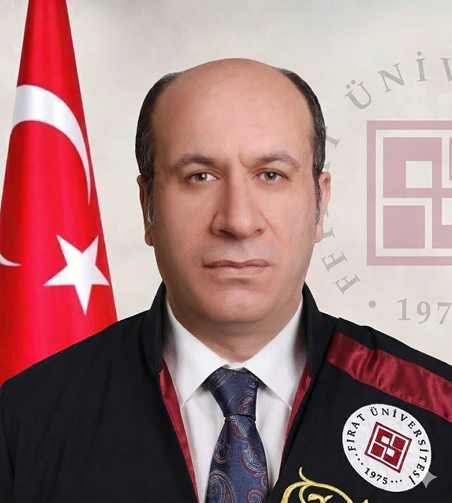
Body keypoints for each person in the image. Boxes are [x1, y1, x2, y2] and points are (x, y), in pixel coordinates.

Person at [1, 59, 452, 503]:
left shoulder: (438, 413)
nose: (238, 221)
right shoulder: (24, 420)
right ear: (147, 206)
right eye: (199, 176)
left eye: (271, 175)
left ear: (320, 204)